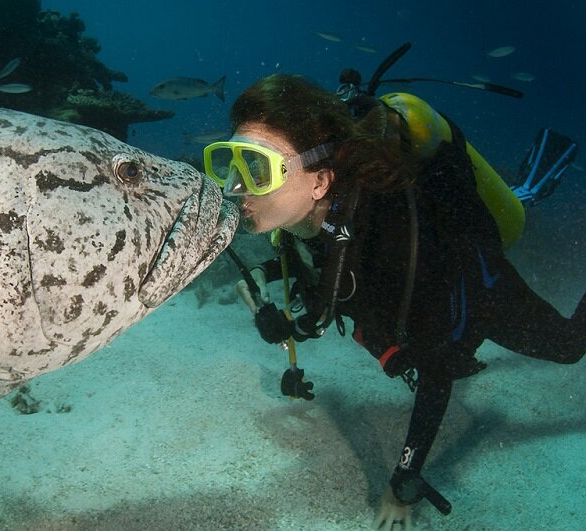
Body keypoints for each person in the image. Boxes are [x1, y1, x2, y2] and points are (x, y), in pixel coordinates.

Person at [203, 73, 585, 529]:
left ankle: (523, 192)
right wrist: (262, 289)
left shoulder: (391, 243)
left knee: (568, 347)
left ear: (321, 181)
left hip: (475, 283)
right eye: (228, 162)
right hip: (406, 282)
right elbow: (321, 273)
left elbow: (438, 369)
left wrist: (405, 477)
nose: (234, 188)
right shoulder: (301, 219)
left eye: (257, 169)